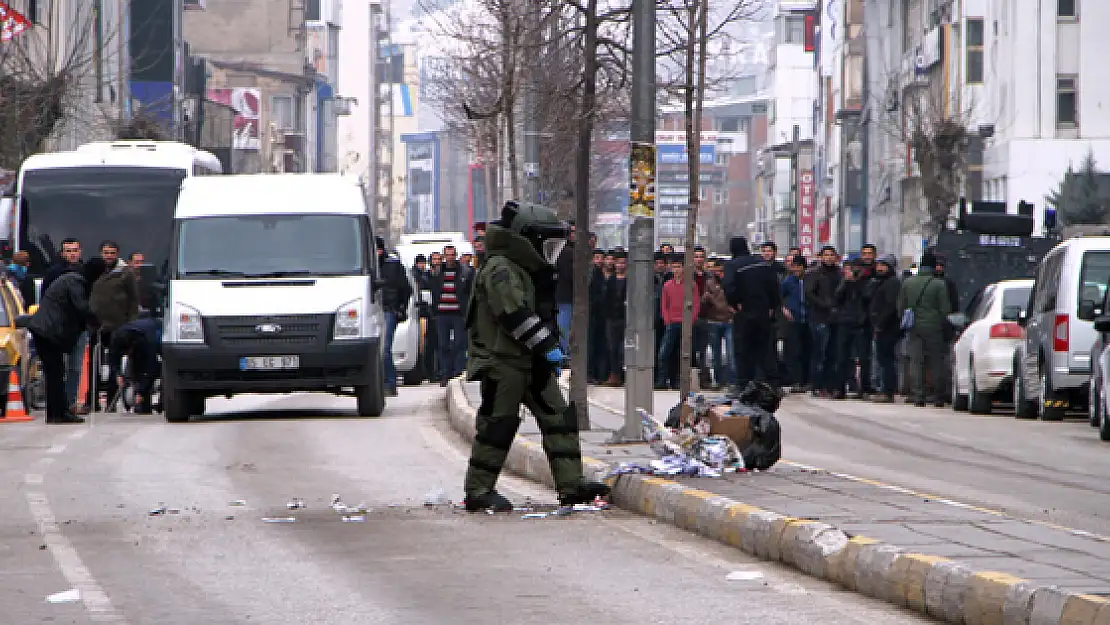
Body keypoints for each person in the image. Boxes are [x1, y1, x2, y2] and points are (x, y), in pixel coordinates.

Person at [462, 201, 610, 512]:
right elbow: (514, 314)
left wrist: (547, 349)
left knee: (559, 419)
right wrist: (548, 348)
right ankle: (478, 490)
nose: (552, 252)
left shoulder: (530, 270)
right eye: (549, 244)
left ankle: (571, 485)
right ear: (527, 240)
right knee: (497, 426)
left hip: (531, 359)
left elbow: (542, 312)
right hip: (503, 362)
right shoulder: (500, 268)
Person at [25, 261, 98, 424]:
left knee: (55, 373)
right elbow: (81, 307)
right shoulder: (75, 282)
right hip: (47, 332)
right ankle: (58, 413)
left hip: (45, 331)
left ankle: (55, 412)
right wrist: (96, 319)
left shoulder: (71, 280)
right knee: (55, 373)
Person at [723, 236, 782, 394]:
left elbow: (729, 287)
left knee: (743, 349)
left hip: (744, 313)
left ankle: (743, 384)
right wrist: (772, 305)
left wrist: (735, 303)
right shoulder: (761, 263)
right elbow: (774, 286)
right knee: (766, 349)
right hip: (763, 312)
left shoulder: (732, 265)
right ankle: (772, 383)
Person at [897, 250, 952, 407]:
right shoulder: (939, 284)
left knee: (916, 361)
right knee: (936, 361)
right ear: (934, 266)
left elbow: (901, 306)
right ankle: (938, 396)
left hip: (914, 327)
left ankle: (918, 395)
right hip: (934, 327)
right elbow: (945, 309)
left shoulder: (908, 283)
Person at [376, 236, 413, 396]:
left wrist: (400, 307)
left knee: (385, 349)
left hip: (388, 310)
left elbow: (406, 288)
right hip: (371, 309)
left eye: (378, 249)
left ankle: (389, 383)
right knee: (376, 350)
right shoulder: (367, 267)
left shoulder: (393, 266)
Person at [869, 255, 902, 402]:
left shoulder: (892, 283)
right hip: (882, 326)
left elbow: (890, 306)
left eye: (884, 265)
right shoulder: (881, 282)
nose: (880, 268)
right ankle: (883, 388)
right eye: (879, 265)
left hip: (888, 327)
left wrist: (880, 324)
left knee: (886, 360)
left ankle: (887, 391)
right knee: (882, 359)